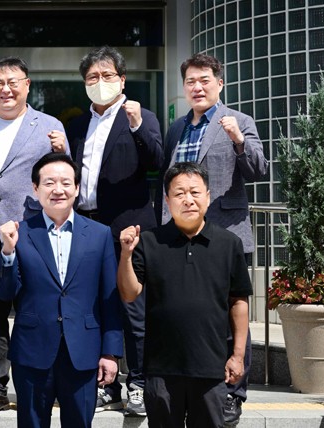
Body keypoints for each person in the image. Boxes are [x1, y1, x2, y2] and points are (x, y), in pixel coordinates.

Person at [158, 53, 268, 426]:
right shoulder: (176, 128)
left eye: (204, 80)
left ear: (219, 83)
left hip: (225, 235)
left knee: (233, 313)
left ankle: (234, 393)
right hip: (180, 239)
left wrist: (238, 140)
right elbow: (168, 182)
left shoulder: (240, 121)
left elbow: (259, 170)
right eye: (191, 81)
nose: (197, 87)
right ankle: (194, 386)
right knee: (188, 312)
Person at [0, 56, 68, 414]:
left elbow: (63, 177)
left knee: (38, 311)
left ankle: (44, 382)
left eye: (13, 82)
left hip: (33, 232)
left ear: (27, 85)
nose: (5, 89)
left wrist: (63, 150)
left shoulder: (49, 127)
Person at [66, 46, 163, 416]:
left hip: (129, 229)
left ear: (122, 80)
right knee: (94, 307)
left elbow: (157, 160)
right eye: (93, 77)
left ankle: (138, 383)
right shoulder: (77, 125)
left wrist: (137, 126)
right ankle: (105, 385)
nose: (100, 82)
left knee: (132, 307)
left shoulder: (140, 116)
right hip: (86, 225)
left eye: (107, 76)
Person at [0, 152, 123, 428]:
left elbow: (109, 298)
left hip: (83, 351)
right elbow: (5, 293)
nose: (58, 189)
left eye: (65, 182)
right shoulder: (19, 233)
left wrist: (111, 353)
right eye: (49, 182)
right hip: (32, 351)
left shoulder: (99, 234)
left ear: (76, 188)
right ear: (35, 188)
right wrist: (8, 251)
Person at [118, 162, 252, 427]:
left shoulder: (229, 243)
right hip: (161, 369)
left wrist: (237, 356)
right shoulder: (150, 241)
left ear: (208, 197)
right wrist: (126, 255)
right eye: (179, 193)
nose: (188, 200)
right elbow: (130, 293)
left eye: (195, 192)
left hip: (211, 369)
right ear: (167, 201)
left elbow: (238, 301)